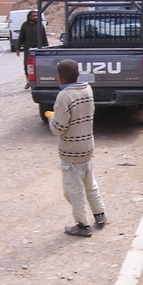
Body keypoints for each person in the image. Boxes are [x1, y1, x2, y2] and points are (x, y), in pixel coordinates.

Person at [45, 59, 107, 237]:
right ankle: (100, 214)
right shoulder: (87, 89)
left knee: (74, 189)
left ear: (60, 78)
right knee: (90, 183)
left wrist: (52, 117)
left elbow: (59, 128)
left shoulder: (64, 96)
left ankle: (82, 225)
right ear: (78, 74)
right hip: (87, 146)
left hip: (71, 151)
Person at [16, 10, 48, 89]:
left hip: (39, 49)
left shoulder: (40, 25)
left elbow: (44, 37)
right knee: (27, 66)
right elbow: (21, 37)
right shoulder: (25, 25)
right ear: (29, 17)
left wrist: (46, 48)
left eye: (36, 16)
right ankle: (29, 82)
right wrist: (18, 48)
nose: (35, 17)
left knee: (38, 66)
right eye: (33, 16)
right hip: (28, 50)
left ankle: (38, 81)